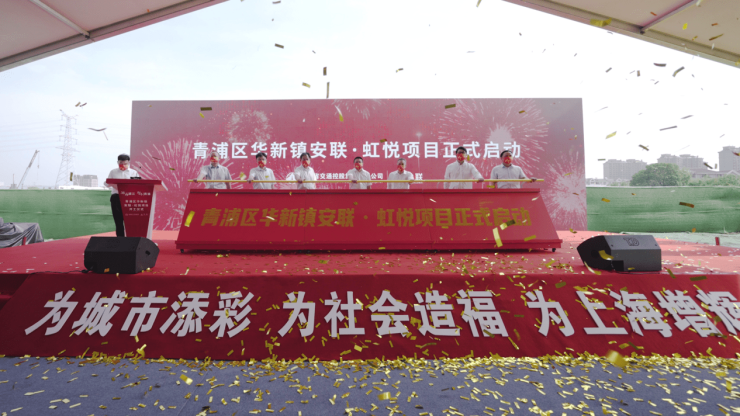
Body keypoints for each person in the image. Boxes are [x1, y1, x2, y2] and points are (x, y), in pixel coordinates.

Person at [104, 154, 138, 237]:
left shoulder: (133, 172)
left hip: (129, 197)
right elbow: (107, 183)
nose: (123, 165)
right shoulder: (113, 172)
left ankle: (131, 239)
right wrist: (116, 186)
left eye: (125, 163)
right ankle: (120, 239)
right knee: (118, 220)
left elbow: (138, 184)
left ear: (129, 162)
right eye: (121, 163)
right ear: (117, 162)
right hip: (116, 197)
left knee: (130, 220)